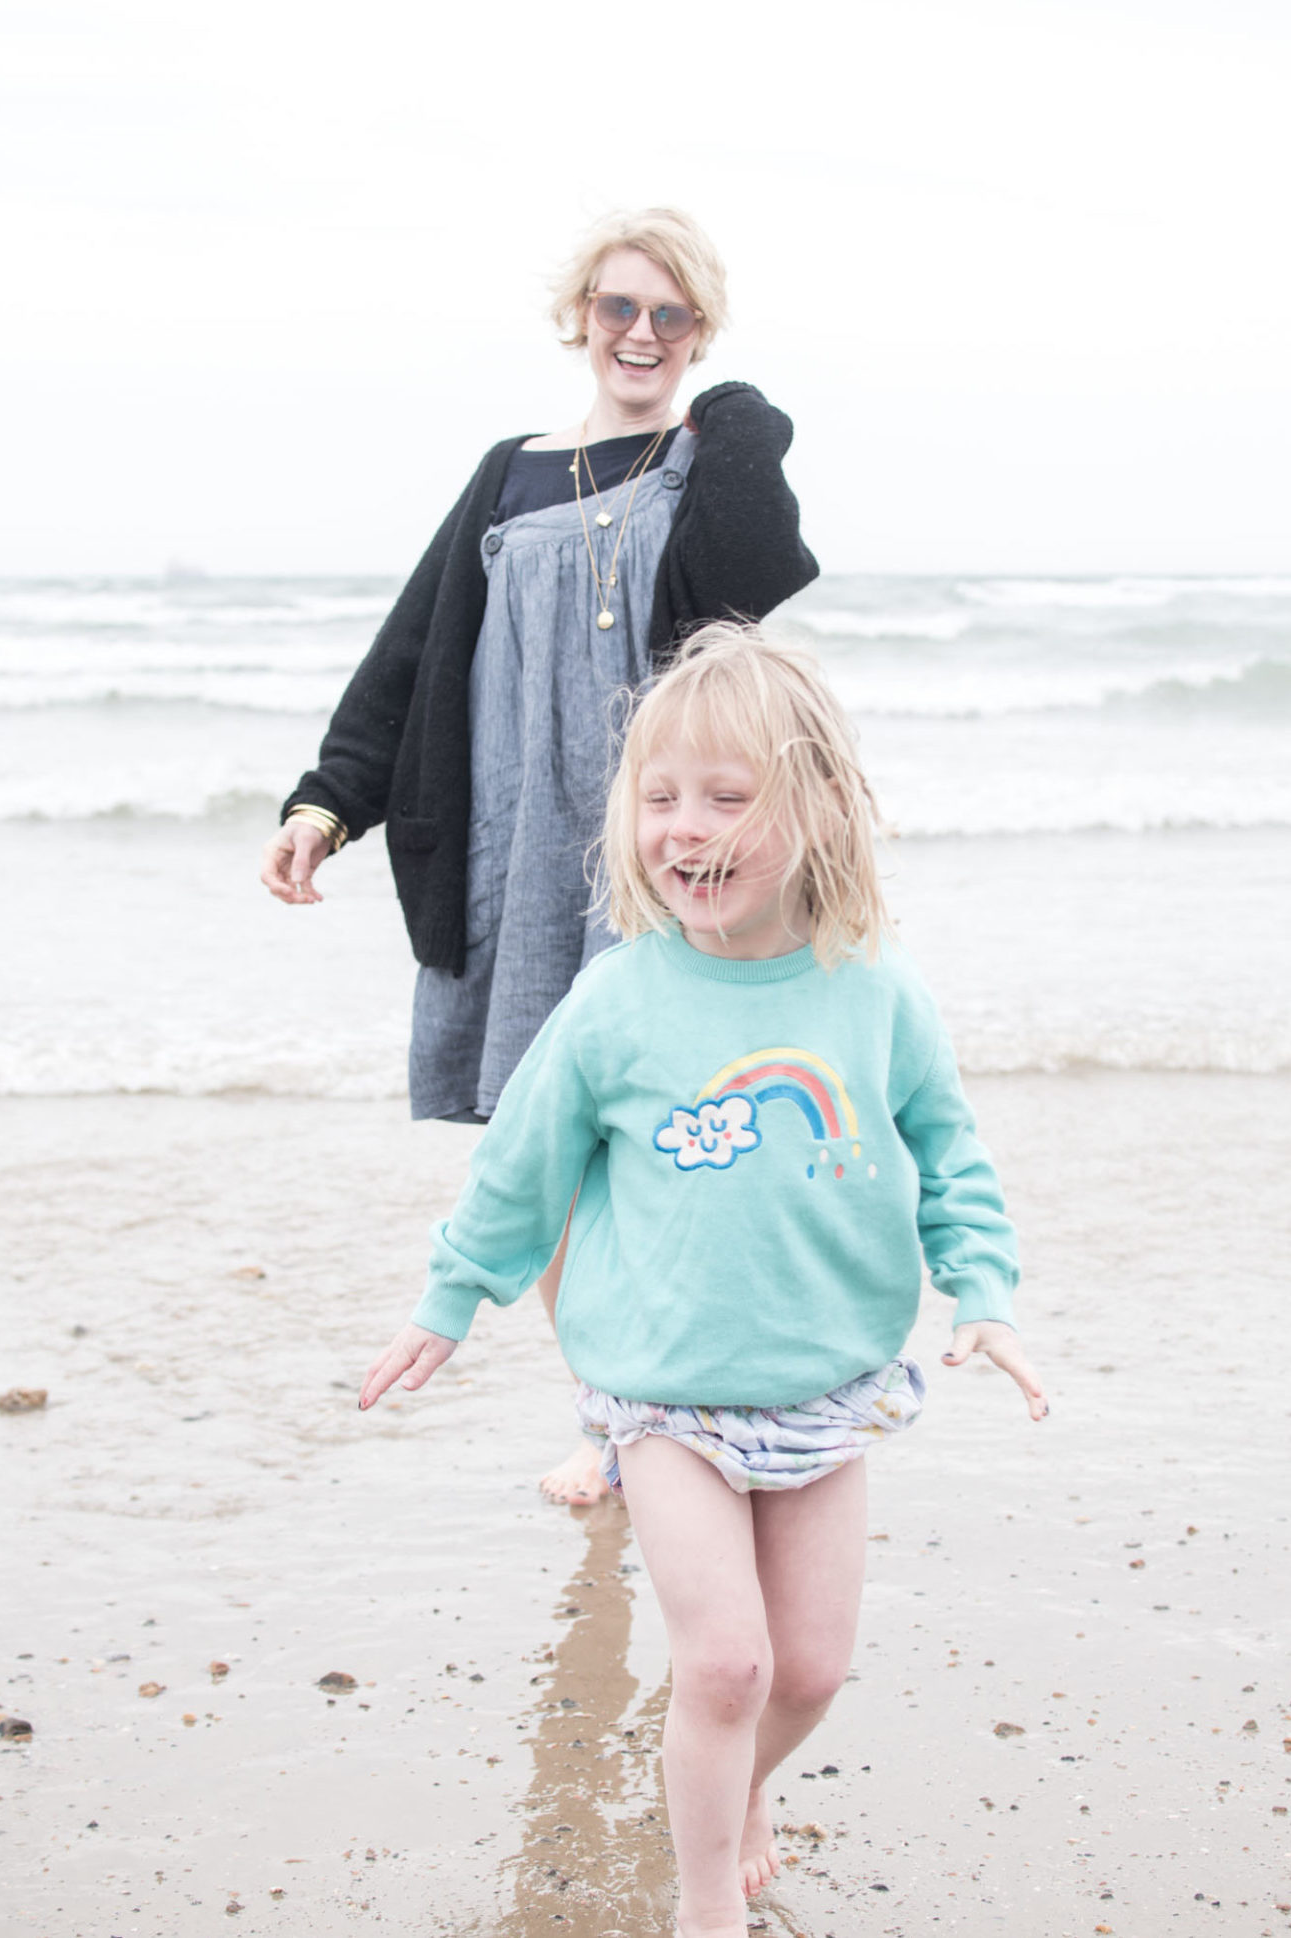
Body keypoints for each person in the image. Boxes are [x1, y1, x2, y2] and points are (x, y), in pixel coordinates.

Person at [359, 623, 1048, 1938]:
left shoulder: (875, 993)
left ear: (821, 806)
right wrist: (449, 1300)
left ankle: (736, 1795)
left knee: (813, 1669)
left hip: (831, 1381)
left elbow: (952, 1152)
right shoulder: (617, 1002)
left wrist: (986, 1292)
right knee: (727, 1663)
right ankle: (699, 1904)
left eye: (729, 798)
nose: (688, 827)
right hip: (665, 1390)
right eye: (661, 797)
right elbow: (522, 1168)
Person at [260, 208, 817, 1508]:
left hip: (671, 856)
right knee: (556, 1149)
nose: (640, 333)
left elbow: (755, 576)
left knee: (687, 1138)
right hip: (523, 860)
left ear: (700, 329)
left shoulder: (706, 455)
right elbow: (412, 654)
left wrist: (734, 414)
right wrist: (324, 805)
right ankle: (615, 1415)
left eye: (670, 314)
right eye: (619, 308)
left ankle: (720, 1390)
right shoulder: (508, 472)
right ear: (581, 316)